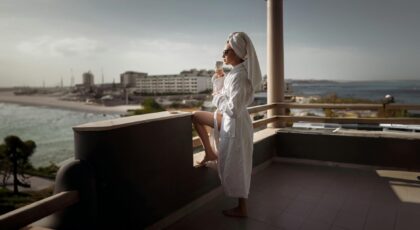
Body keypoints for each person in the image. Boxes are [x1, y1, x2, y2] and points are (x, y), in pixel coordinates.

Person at [192, 32, 262, 217]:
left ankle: (242, 209)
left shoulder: (240, 76)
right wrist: (220, 80)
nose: (223, 55)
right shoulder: (235, 73)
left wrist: (217, 97)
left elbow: (233, 108)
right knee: (197, 117)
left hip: (236, 124)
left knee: (239, 166)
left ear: (238, 51)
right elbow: (228, 97)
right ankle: (209, 151)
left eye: (226, 51)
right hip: (233, 122)